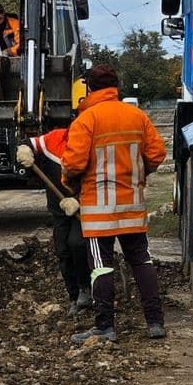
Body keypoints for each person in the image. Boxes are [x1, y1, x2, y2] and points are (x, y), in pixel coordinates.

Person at [62, 64, 167, 344]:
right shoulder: (136, 115)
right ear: (115, 86)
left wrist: (68, 181)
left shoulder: (86, 119)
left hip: (99, 212)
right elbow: (157, 153)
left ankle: (105, 326)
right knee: (141, 260)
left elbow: (73, 163)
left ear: (89, 88)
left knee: (101, 266)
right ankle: (155, 322)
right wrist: (139, 174)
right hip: (132, 206)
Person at [16, 128, 93, 317]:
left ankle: (86, 289)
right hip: (58, 210)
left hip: (83, 209)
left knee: (77, 244)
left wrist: (79, 202)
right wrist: (24, 149)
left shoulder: (90, 147)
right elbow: (31, 143)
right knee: (62, 250)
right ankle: (74, 297)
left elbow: (98, 180)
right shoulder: (54, 140)